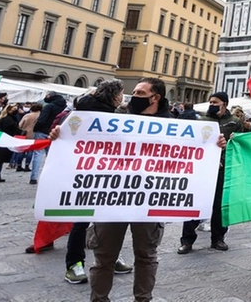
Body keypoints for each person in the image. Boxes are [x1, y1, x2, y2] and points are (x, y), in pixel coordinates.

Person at [67, 78, 213, 302]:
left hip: (149, 201)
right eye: (133, 91)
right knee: (103, 257)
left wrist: (215, 144)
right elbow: (83, 143)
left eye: (139, 93)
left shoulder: (176, 126)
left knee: (146, 256)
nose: (132, 96)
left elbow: (195, 154)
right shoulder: (117, 120)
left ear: (155, 98)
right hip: (113, 197)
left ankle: (143, 299)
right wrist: (62, 137)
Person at [61, 81, 133, 285]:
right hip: (93, 172)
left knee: (93, 220)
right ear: (115, 96)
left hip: (97, 171)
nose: (123, 98)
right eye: (121, 94)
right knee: (96, 219)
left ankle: (92, 261)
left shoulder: (82, 109)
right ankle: (77, 263)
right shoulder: (96, 114)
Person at [178, 91, 239, 255]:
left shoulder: (234, 122)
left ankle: (218, 239)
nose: (212, 105)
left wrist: (232, 143)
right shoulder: (203, 121)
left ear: (224, 103)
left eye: (215, 102)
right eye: (210, 102)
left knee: (220, 205)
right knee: (195, 203)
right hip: (203, 169)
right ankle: (187, 240)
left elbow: (240, 146)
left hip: (223, 169)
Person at [31, 92, 66, 185]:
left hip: (42, 132)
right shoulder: (64, 107)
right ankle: (51, 176)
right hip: (54, 133)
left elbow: (42, 120)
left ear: (51, 96)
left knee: (38, 154)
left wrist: (36, 128)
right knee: (51, 156)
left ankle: (34, 177)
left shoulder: (49, 106)